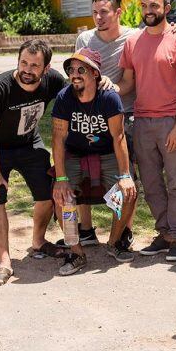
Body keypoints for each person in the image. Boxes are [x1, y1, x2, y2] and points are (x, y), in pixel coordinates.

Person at [0, 39, 67, 286]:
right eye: (24, 62)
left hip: (28, 143)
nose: (27, 69)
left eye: (35, 65)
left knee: (47, 192)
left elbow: (76, 95)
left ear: (46, 68)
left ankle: (38, 241)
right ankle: (4, 261)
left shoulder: (54, 81)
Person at [117, 0, 176, 262]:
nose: (148, 10)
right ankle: (163, 233)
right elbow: (127, 82)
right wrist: (106, 88)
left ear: (166, 8)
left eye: (154, 5)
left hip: (171, 121)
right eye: (144, 5)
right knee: (151, 184)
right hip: (142, 122)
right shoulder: (133, 42)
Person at [58, 0, 138, 250]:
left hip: (119, 109)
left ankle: (123, 231)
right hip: (86, 112)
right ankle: (85, 229)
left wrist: (110, 87)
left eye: (104, 12)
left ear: (118, 12)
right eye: (95, 12)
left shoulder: (131, 37)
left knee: (126, 177)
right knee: (78, 169)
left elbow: (129, 80)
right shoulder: (85, 38)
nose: (98, 17)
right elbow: (79, 69)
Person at [51, 48, 137, 275]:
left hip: (107, 152)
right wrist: (60, 179)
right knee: (62, 197)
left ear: (95, 73)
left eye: (82, 69)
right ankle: (76, 251)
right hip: (75, 154)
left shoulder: (108, 97)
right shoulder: (64, 98)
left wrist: (125, 175)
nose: (75, 74)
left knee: (128, 192)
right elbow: (58, 139)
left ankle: (114, 242)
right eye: (71, 69)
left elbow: (118, 138)